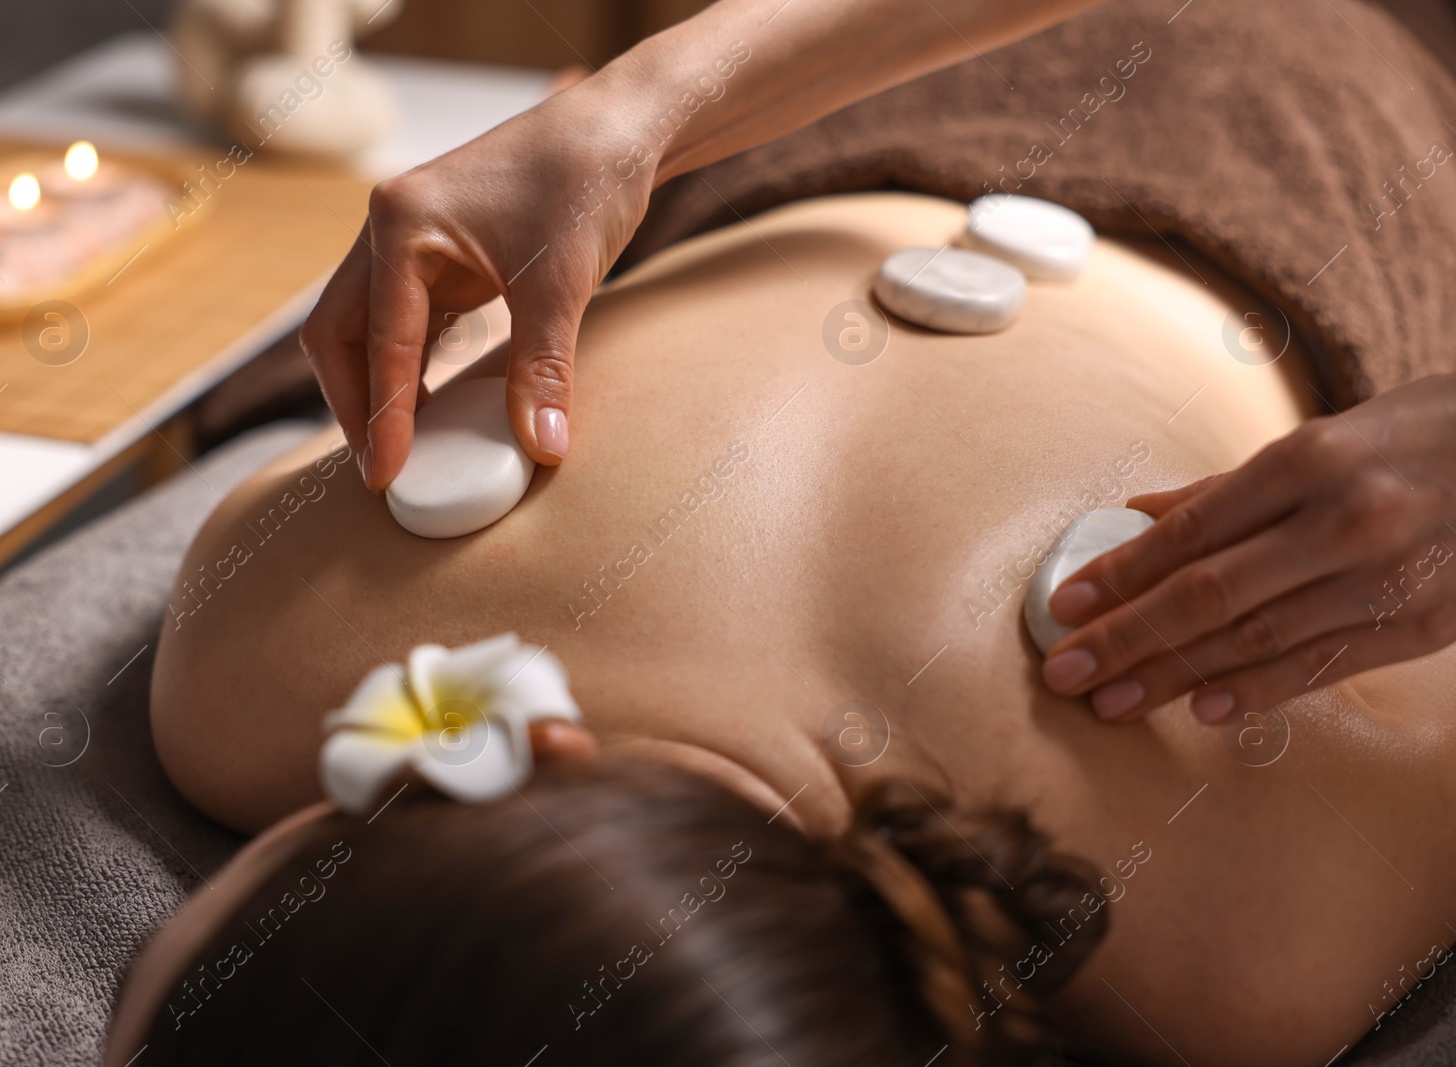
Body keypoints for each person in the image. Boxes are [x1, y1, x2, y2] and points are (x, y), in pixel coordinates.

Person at [112, 1, 1456, 1064]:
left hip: (806, 104)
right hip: (1288, 135)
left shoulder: (1246, 956)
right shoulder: (262, 658)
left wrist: (640, 113)